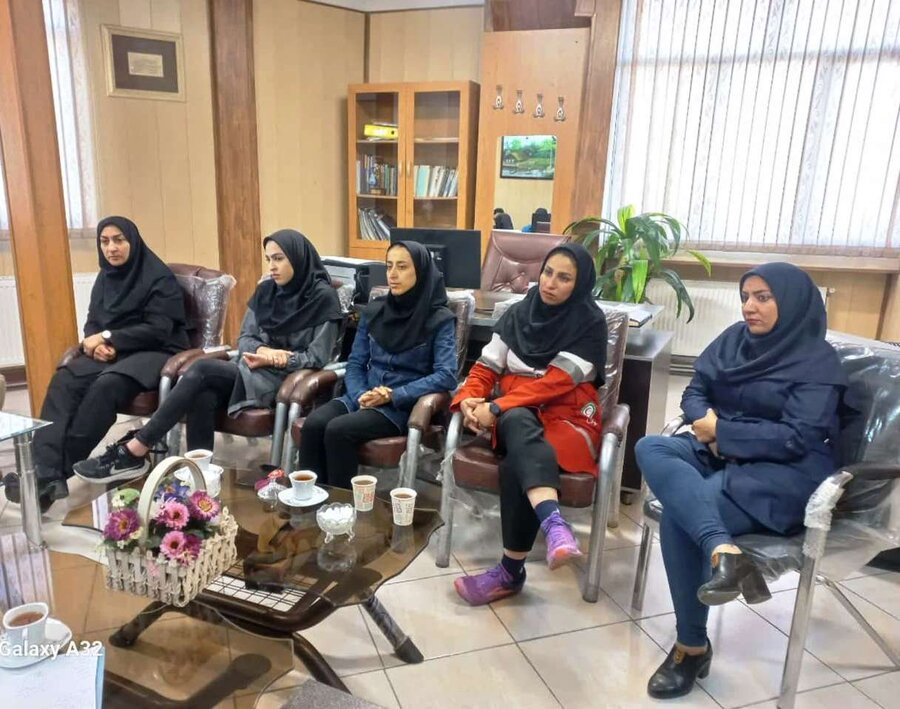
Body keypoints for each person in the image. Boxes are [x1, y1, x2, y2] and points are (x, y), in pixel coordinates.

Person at [634, 262, 850, 700]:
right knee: (650, 447)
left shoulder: (816, 361)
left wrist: (724, 433)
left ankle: (691, 647)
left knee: (681, 514)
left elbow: (798, 437)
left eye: (763, 298)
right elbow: (695, 390)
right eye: (746, 297)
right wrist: (708, 423)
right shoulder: (734, 339)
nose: (750, 307)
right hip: (719, 449)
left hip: (782, 471)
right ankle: (722, 549)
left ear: (791, 302)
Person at [74, 229, 343, 483]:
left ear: (298, 258)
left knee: (202, 370)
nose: (271, 267)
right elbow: (245, 339)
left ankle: (137, 448)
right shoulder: (266, 291)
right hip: (249, 367)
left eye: (279, 259)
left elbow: (317, 356)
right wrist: (263, 351)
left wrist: (277, 359)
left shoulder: (323, 298)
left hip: (283, 379)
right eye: (269, 259)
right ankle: (200, 479)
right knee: (202, 395)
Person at [452, 243, 609, 606]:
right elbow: (485, 368)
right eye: (548, 272)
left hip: (566, 418)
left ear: (580, 284)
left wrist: (497, 405)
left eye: (564, 278)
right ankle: (554, 524)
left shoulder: (589, 322)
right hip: (516, 415)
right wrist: (470, 399)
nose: (551, 283)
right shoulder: (519, 313)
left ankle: (510, 573)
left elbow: (555, 383)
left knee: (516, 460)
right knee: (519, 420)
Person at [3, 216, 190, 510]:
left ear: (133, 241)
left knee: (106, 386)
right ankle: (45, 473)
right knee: (65, 378)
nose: (111, 248)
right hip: (116, 351)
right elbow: (93, 321)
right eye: (104, 241)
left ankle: (54, 476)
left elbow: (159, 329)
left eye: (118, 240)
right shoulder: (105, 278)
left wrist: (108, 337)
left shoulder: (158, 277)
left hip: (157, 351)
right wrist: (96, 344)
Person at [297, 241, 458, 489]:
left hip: (399, 407)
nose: (392, 274)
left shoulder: (439, 319)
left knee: (338, 430)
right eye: (389, 266)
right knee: (314, 424)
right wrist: (361, 395)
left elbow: (446, 375)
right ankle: (310, 501)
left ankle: (342, 506)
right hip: (363, 395)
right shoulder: (375, 311)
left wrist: (393, 395)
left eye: (402, 267)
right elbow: (355, 363)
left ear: (420, 271)